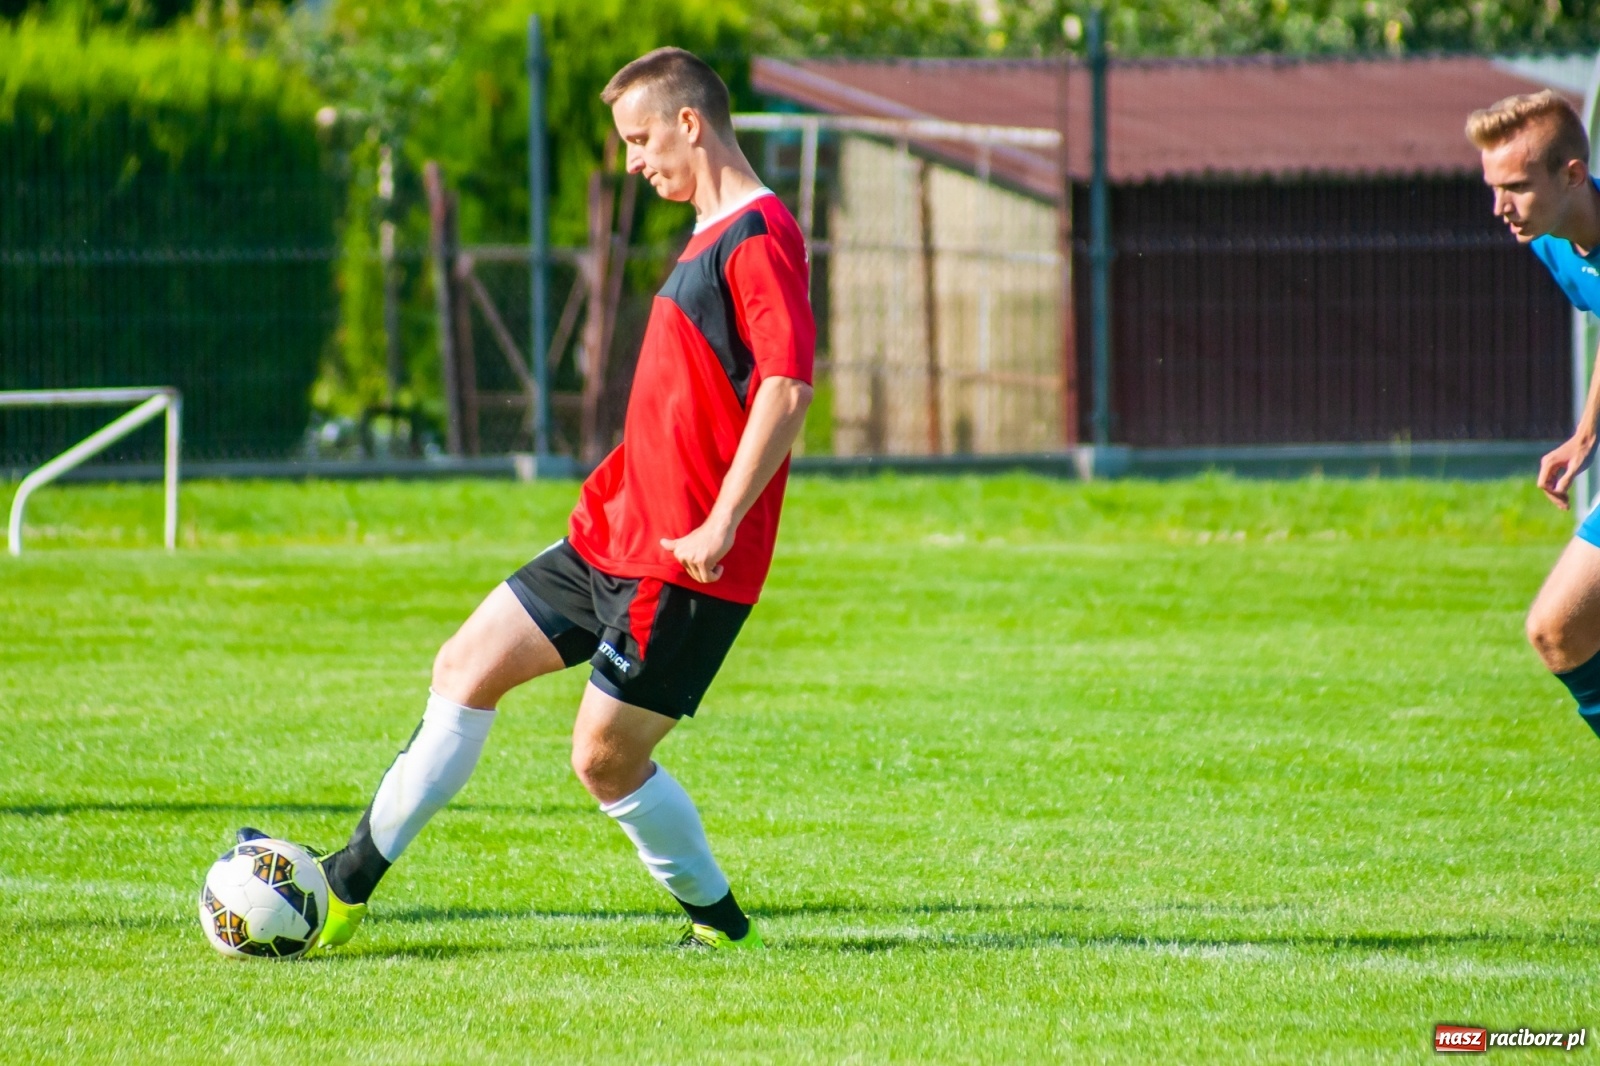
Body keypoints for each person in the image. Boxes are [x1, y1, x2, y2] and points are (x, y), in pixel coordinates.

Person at [245, 46, 815, 951]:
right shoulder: (708, 235)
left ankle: (721, 928)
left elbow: (786, 387)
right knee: (463, 666)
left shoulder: (758, 236)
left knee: (603, 759)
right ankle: (344, 891)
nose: (632, 161)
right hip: (609, 540)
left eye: (640, 139)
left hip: (682, 564)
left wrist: (721, 519)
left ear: (690, 124)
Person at [1470, 90, 1600, 735]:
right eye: (1494, 187)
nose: (1499, 207)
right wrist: (1585, 433)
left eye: (1515, 186)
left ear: (1571, 175)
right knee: (1556, 631)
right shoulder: (1550, 242)